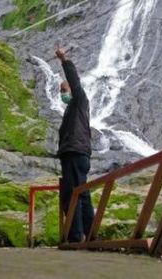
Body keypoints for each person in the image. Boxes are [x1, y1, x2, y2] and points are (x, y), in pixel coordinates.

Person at [55, 46, 94, 242]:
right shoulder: (72, 108)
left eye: (64, 89)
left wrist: (64, 60)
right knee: (83, 192)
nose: (62, 93)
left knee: (73, 193)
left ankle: (77, 234)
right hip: (77, 152)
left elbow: (75, 82)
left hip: (75, 152)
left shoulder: (80, 100)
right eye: (61, 91)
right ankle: (90, 233)